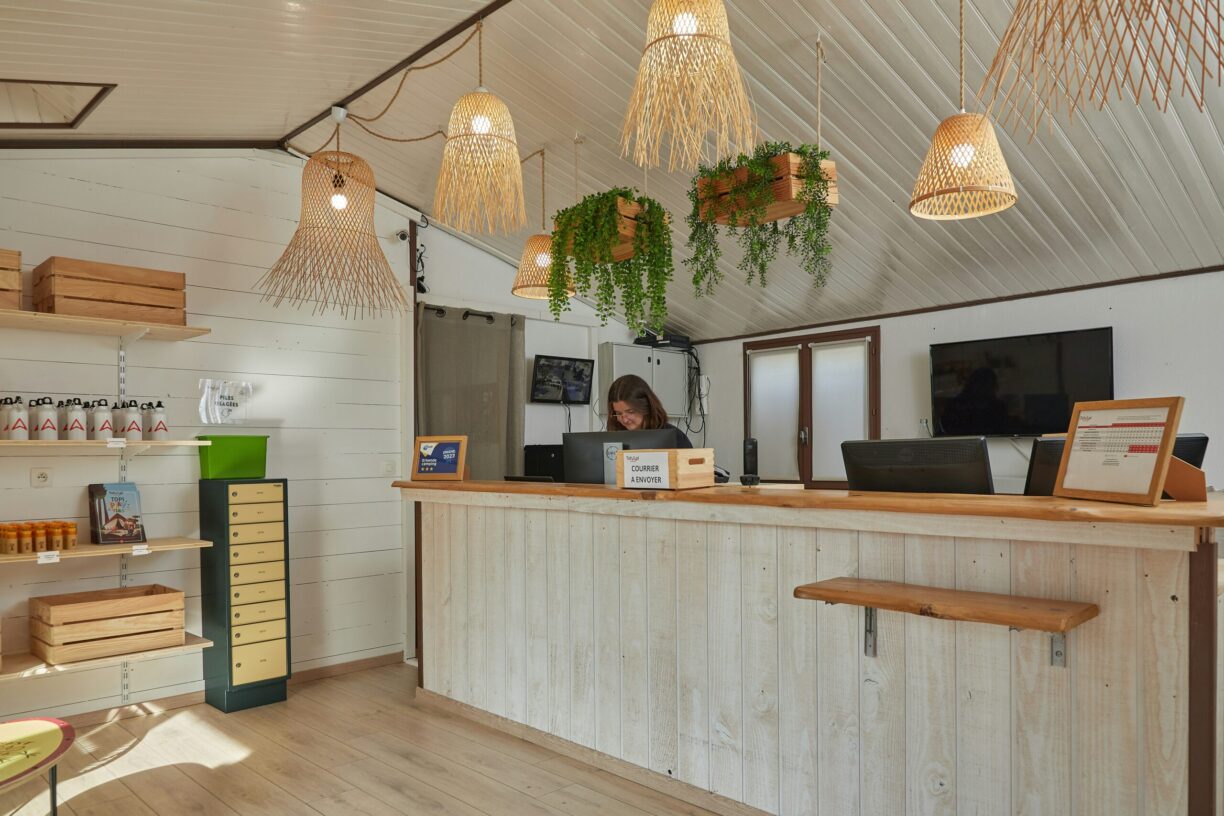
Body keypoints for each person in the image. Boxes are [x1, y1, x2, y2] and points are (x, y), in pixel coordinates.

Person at [607, 374, 693, 449]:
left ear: (646, 406)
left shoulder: (675, 438)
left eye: (630, 412)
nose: (625, 420)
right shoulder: (613, 440)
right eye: (618, 413)